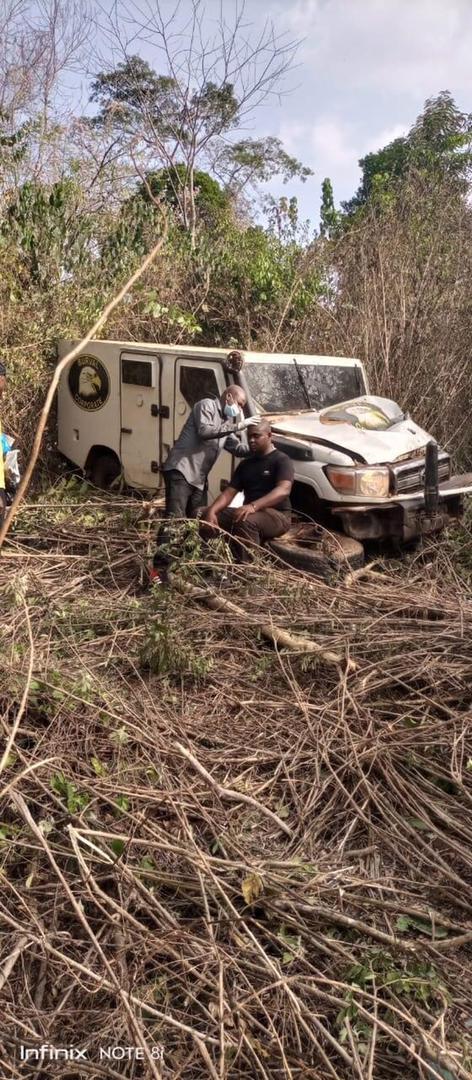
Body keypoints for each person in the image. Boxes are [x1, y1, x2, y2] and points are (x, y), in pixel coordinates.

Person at [151, 384, 259, 579]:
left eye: (242, 407)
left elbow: (237, 448)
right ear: (228, 397)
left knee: (198, 519)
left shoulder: (225, 421)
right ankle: (158, 570)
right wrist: (238, 426)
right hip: (181, 471)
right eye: (240, 404)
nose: (240, 410)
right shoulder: (207, 405)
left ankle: (190, 564)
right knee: (174, 519)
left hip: (198, 479)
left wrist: (257, 446)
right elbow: (205, 431)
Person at [201, 419, 294, 562]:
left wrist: (253, 506)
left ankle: (248, 571)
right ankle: (210, 562)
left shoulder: (281, 460)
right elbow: (229, 493)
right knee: (201, 513)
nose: (251, 440)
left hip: (278, 515)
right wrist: (212, 511)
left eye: (256, 436)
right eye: (249, 436)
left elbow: (283, 490)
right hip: (250, 512)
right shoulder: (246, 464)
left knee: (246, 521)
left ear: (269, 435)